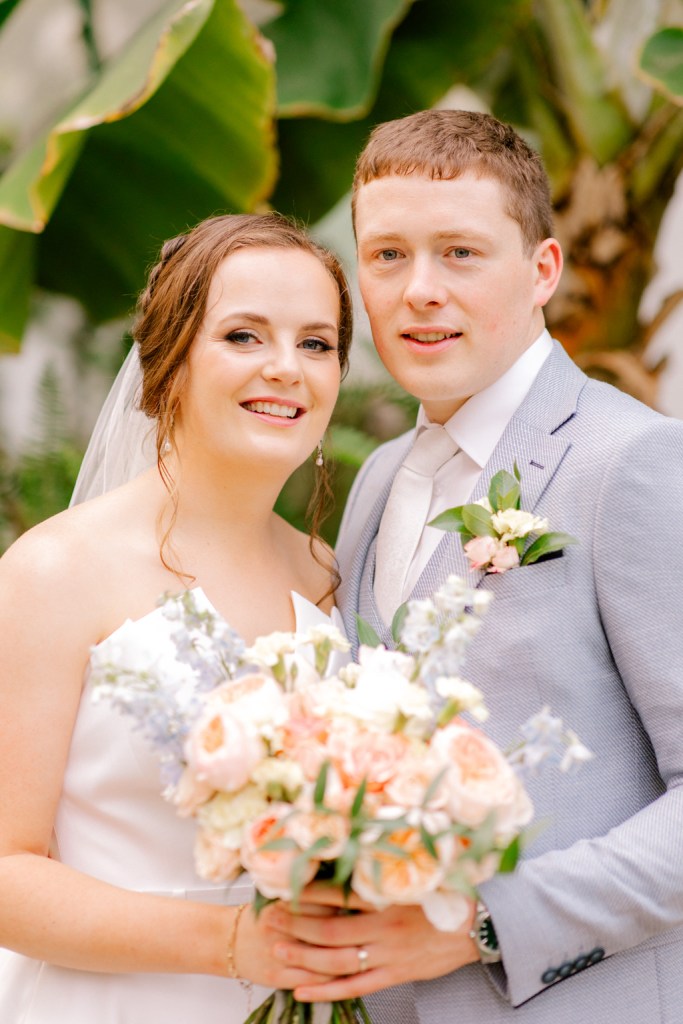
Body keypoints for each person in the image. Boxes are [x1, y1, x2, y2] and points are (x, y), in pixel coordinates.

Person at [270, 110, 683, 1022]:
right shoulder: (379, 478)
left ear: (542, 271)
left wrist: (481, 924)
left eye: (459, 253)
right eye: (386, 257)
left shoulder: (633, 462)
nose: (419, 290)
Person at [0, 212, 355, 1022]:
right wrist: (232, 942)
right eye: (243, 336)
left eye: (316, 343)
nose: (286, 369)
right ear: (171, 359)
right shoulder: (55, 572)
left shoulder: (324, 574)